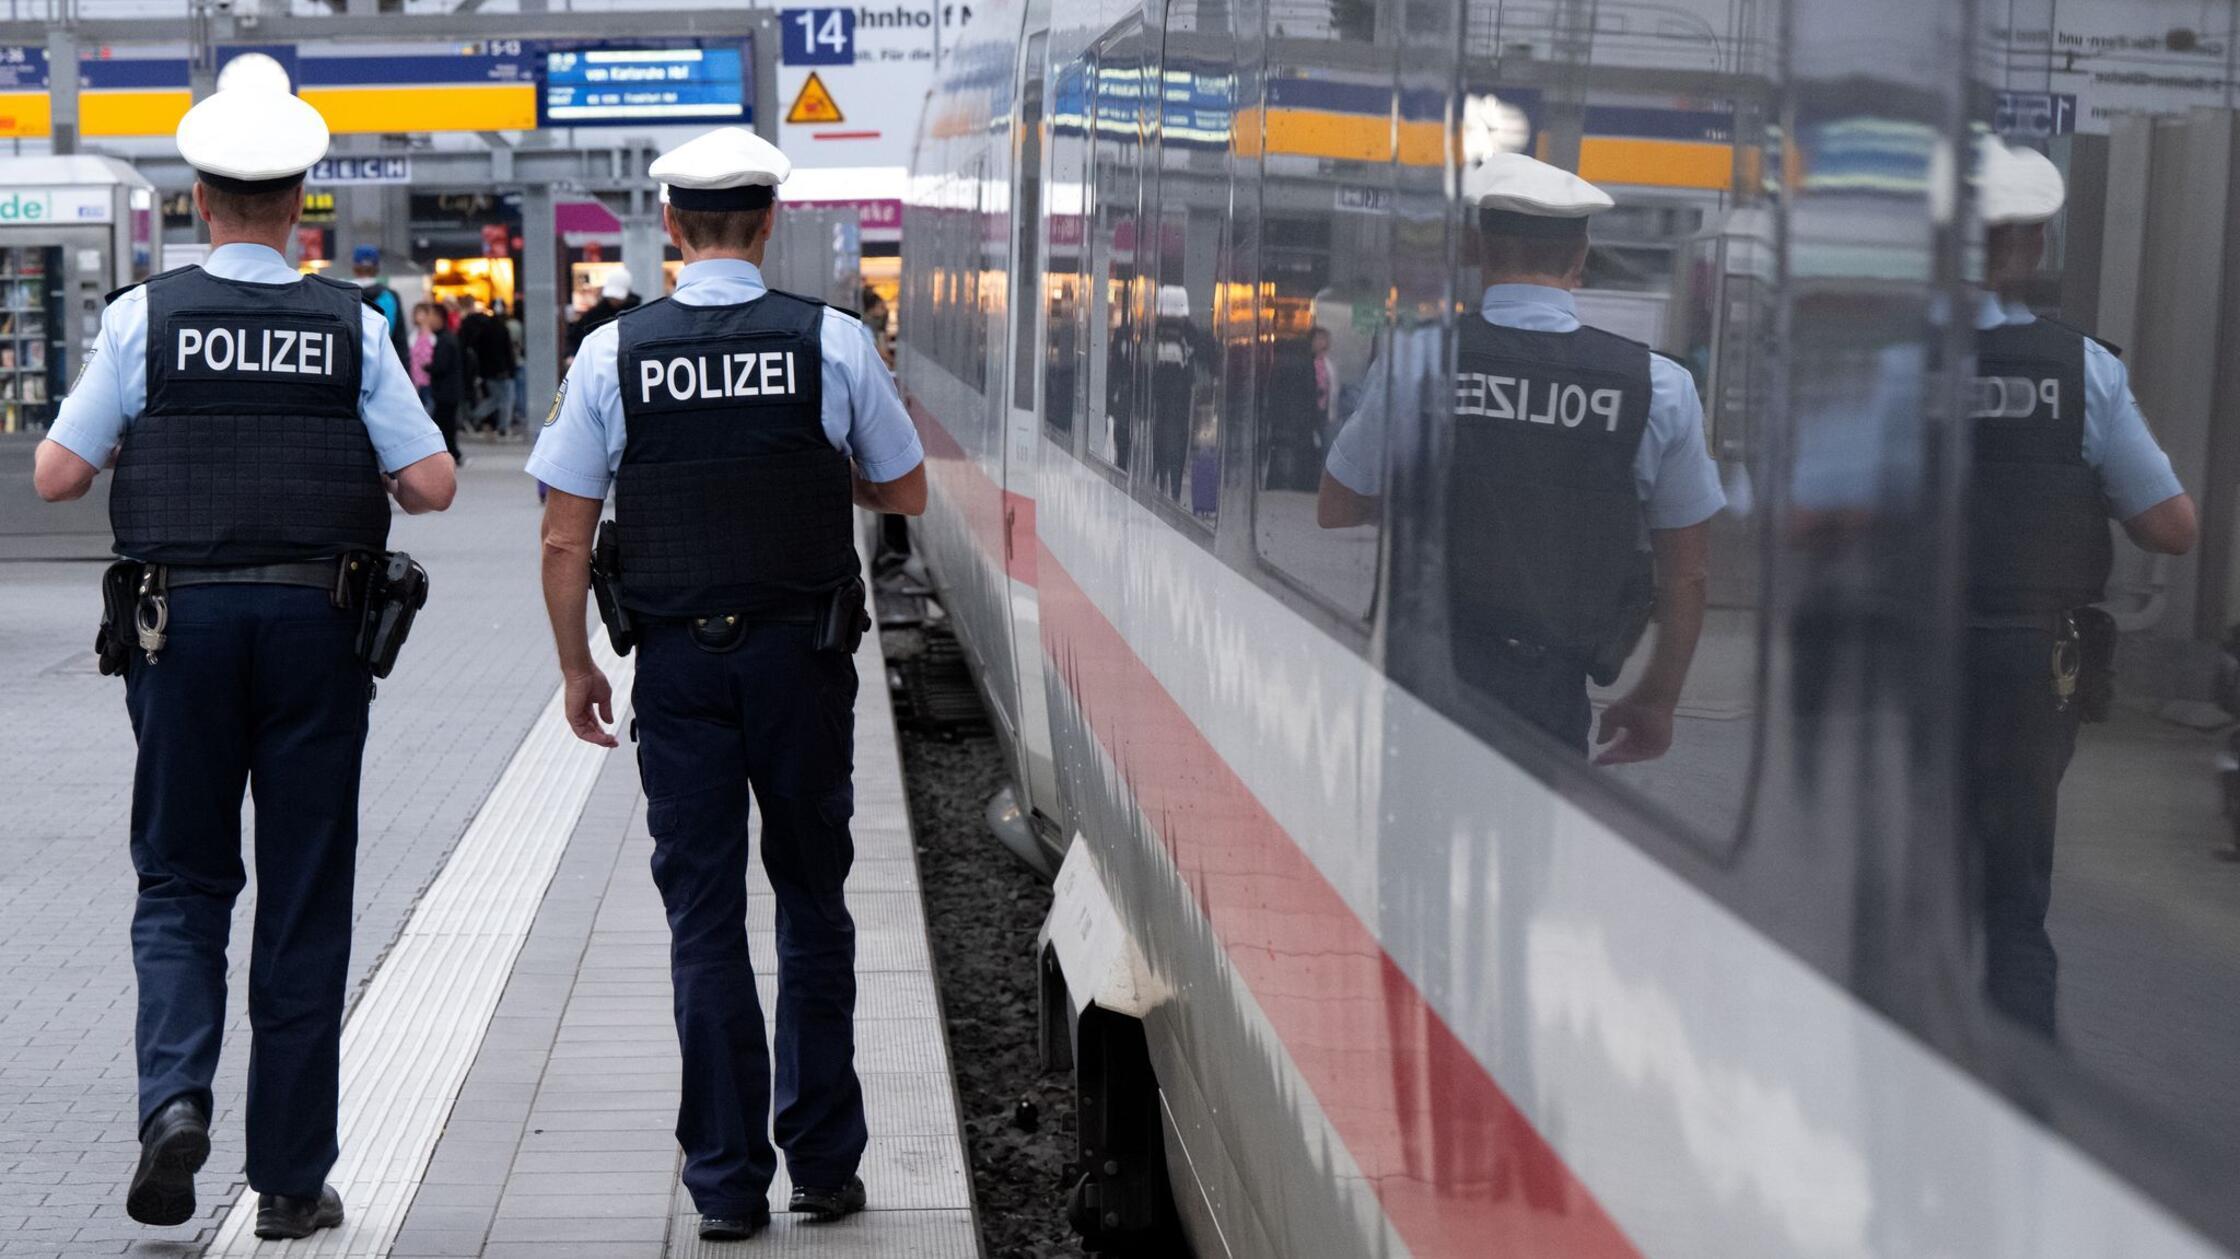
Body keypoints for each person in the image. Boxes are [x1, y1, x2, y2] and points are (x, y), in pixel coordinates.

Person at [28, 83, 455, 1241]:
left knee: (180, 879)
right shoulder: (351, 324)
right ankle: (287, 1182)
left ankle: (173, 1096)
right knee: (304, 900)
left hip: (181, 635)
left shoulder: (142, 319)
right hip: (320, 632)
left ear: (197, 200)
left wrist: (139, 434)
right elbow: (433, 485)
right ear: (300, 204)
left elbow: (55, 478)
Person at [527, 126, 926, 1242]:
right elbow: (906, 494)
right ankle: (826, 1165)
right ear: (768, 223)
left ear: (670, 228)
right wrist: (809, 463)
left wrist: (575, 667)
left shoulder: (613, 353)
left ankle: (724, 1183)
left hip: (678, 669)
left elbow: (565, 536)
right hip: (801, 661)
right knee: (812, 900)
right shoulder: (833, 344)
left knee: (702, 917)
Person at [1318, 152, 1724, 762]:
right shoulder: (1658, 388)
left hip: (1423, 682)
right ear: (1580, 255)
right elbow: (1686, 573)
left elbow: (1337, 506)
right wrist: (1657, 701)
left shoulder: (1418, 362)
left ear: (1478, 248)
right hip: (1550, 698)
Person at [1965, 140, 2196, 1037]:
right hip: (2028, 668)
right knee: (2012, 898)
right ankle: (2017, 1113)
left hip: (1905, 662)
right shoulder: (2084, 371)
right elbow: (2171, 527)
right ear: (2032, 247)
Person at [411, 301, 466, 463]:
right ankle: (452, 453)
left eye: (431, 316)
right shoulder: (446, 338)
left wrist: (427, 367)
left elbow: (441, 366)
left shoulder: (445, 340)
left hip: (445, 391)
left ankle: (450, 454)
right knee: (446, 424)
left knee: (444, 425)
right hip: (448, 390)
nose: (429, 320)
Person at [460, 296, 517, 436]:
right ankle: (502, 427)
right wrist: (511, 368)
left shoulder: (484, 329)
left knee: (495, 399)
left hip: (487, 370)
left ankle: (475, 416)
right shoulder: (502, 328)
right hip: (502, 370)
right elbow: (508, 351)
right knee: (505, 399)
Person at [350, 245, 410, 366]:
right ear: (377, 268)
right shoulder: (390, 296)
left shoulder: (343, 294)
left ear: (354, 267)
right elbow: (400, 340)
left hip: (351, 366)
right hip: (384, 364)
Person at [567, 268, 636, 357]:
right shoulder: (594, 315)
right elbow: (576, 336)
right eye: (612, 297)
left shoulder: (635, 311)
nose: (614, 300)